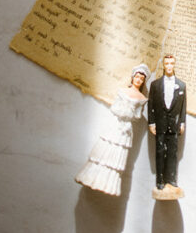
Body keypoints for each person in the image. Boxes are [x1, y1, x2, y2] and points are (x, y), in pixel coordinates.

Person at [75, 63, 150, 196]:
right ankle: (91, 177)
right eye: (137, 77)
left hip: (126, 130)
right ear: (132, 77)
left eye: (141, 79)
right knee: (106, 150)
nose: (138, 80)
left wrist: (130, 114)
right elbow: (115, 108)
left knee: (117, 153)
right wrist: (124, 112)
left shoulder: (142, 99)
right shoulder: (122, 91)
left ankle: (108, 184)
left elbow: (137, 116)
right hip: (116, 126)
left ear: (143, 81)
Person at [148, 53, 186, 197]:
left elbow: (183, 106)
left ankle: (172, 178)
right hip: (160, 123)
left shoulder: (181, 85)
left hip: (174, 124)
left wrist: (182, 122)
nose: (169, 66)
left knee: (172, 152)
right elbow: (150, 104)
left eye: (171, 63)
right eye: (167, 63)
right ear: (163, 65)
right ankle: (160, 180)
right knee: (159, 151)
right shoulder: (155, 85)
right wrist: (151, 122)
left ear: (174, 65)